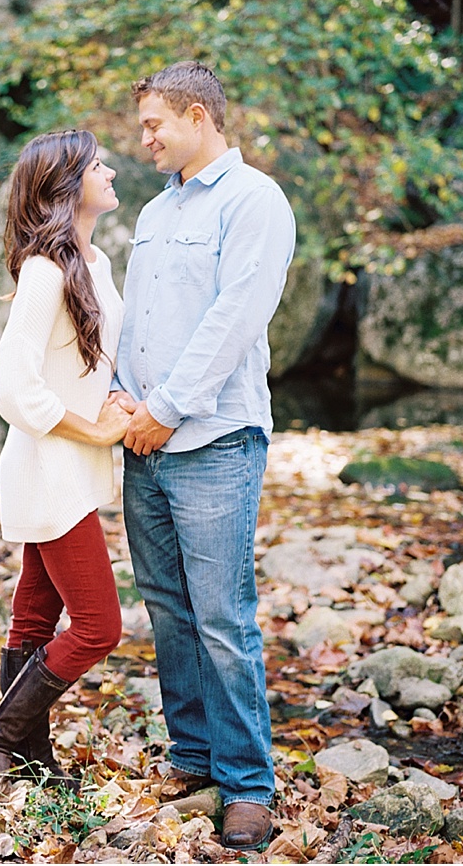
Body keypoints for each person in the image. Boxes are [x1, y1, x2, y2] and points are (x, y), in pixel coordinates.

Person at [111, 61, 295, 850]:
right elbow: (136, 316)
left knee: (223, 615)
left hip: (214, 439)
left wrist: (166, 409)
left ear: (197, 115)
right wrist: (123, 397)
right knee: (167, 606)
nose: (144, 139)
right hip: (143, 439)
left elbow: (233, 318)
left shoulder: (256, 201)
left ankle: (248, 784)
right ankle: (194, 758)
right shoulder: (155, 211)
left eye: (155, 125)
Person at [0, 129, 131, 790]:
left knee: (34, 618)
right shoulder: (44, 271)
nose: (112, 170)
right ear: (67, 185)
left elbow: (85, 360)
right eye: (98, 165)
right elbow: (11, 386)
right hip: (49, 465)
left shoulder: (97, 263)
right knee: (97, 626)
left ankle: (28, 757)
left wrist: (111, 394)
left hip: (71, 466)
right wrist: (91, 429)